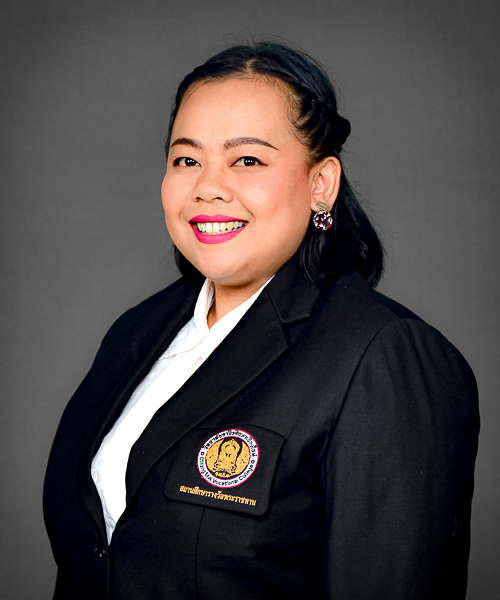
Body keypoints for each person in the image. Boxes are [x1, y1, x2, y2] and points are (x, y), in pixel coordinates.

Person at [43, 42, 479, 600]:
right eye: (187, 160)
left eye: (247, 160)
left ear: (321, 183)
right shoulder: (135, 331)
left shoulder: (384, 356)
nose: (208, 187)